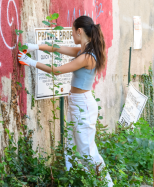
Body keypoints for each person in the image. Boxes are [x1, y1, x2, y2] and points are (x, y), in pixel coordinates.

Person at [18, 16, 113, 186]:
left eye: (72, 31)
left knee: (86, 149)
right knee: (70, 144)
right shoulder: (83, 51)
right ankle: (73, 182)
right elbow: (58, 49)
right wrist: (35, 47)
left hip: (82, 104)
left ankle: (107, 183)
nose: (72, 34)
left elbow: (57, 71)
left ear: (79, 31)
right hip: (77, 102)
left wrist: (31, 62)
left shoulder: (87, 57)